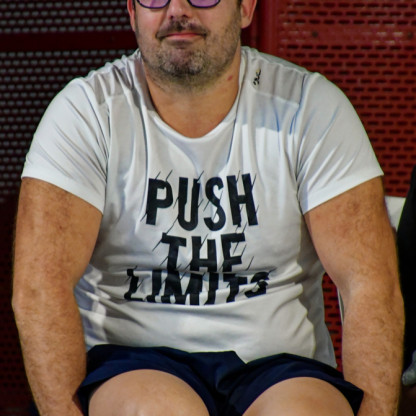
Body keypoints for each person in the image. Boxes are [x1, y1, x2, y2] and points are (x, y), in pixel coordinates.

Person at [12, 0, 404, 415]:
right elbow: (39, 288)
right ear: (131, 12)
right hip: (133, 362)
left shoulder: (311, 108)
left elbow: (370, 285)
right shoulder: (86, 112)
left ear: (245, 8)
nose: (177, 9)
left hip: (280, 370)